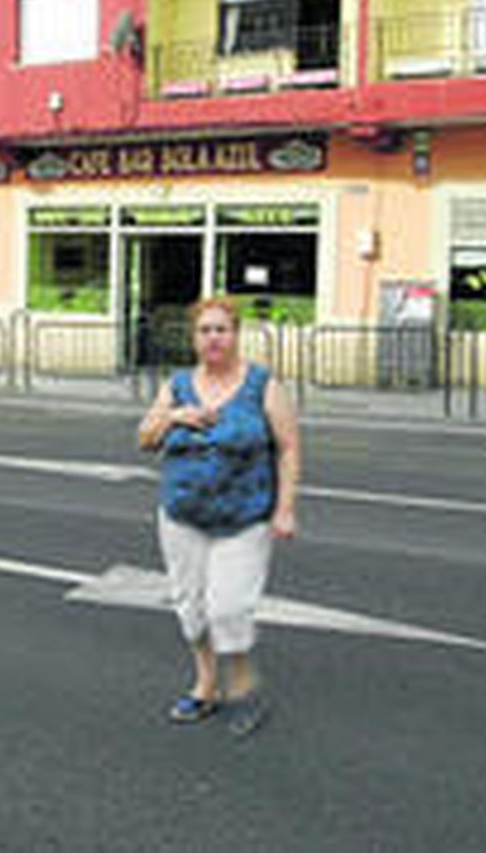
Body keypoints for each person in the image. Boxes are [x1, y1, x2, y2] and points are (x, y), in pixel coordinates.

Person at [137, 296, 300, 738]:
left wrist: (285, 509)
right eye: (205, 330)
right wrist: (173, 417)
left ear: (235, 334)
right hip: (182, 514)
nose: (214, 338)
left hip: (245, 515)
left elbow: (287, 448)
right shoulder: (178, 386)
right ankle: (206, 684)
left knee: (229, 608)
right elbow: (144, 439)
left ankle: (244, 688)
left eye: (221, 329)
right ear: (194, 338)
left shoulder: (263, 386)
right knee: (190, 609)